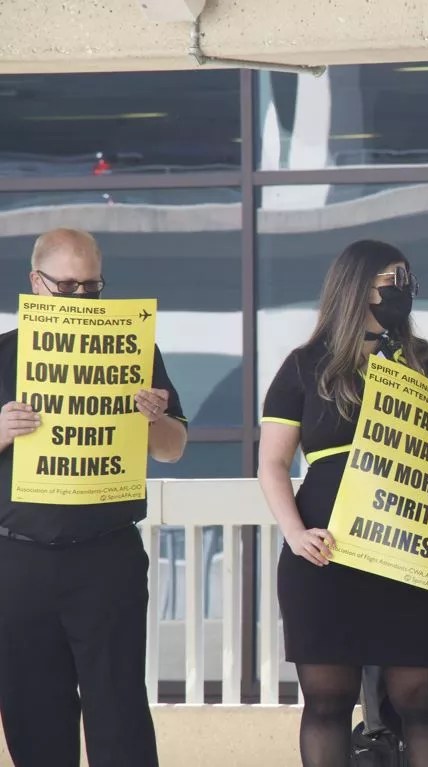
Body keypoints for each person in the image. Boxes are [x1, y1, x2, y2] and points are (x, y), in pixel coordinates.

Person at [258, 239, 428, 767]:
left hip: (412, 552)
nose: (404, 291)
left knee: (422, 698)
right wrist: (295, 533)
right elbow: (271, 464)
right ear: (357, 286)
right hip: (327, 554)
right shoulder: (304, 366)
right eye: (392, 281)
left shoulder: (426, 362)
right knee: (327, 702)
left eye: (408, 280)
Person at [0, 228, 188, 767]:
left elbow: (173, 449)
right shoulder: (4, 354)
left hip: (106, 555)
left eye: (92, 286)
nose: (81, 297)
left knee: (120, 714)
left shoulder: (133, 348)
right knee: (33, 715)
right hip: (19, 559)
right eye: (68, 286)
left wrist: (153, 419)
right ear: (36, 282)